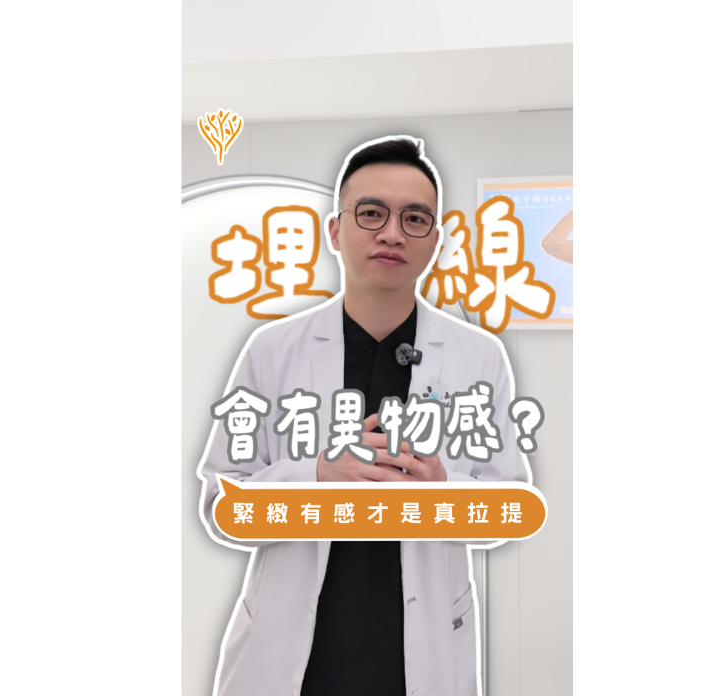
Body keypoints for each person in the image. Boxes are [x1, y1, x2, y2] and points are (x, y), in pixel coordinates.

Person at [197, 136, 532, 696]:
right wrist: (314, 476)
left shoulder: (479, 356)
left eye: (414, 218)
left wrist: (444, 491)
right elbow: (220, 506)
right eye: (371, 213)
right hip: (293, 660)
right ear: (335, 231)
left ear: (435, 241)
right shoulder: (272, 349)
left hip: (419, 658)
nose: (392, 233)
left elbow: (507, 509)